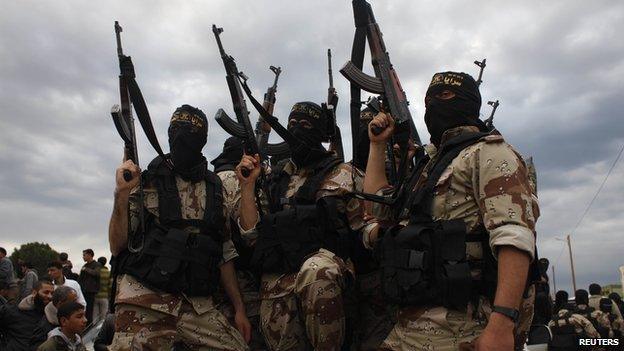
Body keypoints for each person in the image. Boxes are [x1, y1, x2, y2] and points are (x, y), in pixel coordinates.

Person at [362, 72, 540, 350]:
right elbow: (377, 206)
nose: (434, 104)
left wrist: (502, 323)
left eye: (444, 96)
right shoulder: (429, 163)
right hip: (407, 322)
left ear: (469, 102)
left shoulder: (490, 153)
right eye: (428, 99)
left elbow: (514, 237)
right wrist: (377, 145)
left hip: (462, 325)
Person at [108, 104, 250, 350]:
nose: (182, 138)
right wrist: (121, 194)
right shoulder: (148, 179)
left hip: (196, 305)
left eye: (191, 132)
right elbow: (117, 244)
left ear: (203, 140)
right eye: (176, 130)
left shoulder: (215, 188)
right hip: (145, 298)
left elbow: (224, 253)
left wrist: (239, 309)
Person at [237, 101, 367, 350]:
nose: (297, 130)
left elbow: (364, 230)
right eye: (292, 124)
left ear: (320, 132)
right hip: (278, 284)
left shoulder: (344, 174)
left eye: (306, 125)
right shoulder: (274, 179)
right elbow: (251, 234)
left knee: (316, 270)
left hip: (326, 279)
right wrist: (247, 186)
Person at [211, 136, 268, 351]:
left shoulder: (210, 180)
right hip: (244, 281)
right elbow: (251, 233)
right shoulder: (236, 180)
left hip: (211, 283)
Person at [0, 279, 54, 350]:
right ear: (34, 293)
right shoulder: (13, 311)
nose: (50, 296)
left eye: (52, 293)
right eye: (46, 292)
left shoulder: (53, 317)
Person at [78, 248, 100, 324]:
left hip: (91, 291)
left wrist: (86, 269)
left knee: (89, 310)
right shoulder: (84, 266)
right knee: (84, 309)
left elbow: (96, 273)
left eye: (84, 255)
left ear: (90, 255)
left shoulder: (96, 264)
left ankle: (89, 326)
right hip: (83, 290)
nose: (83, 257)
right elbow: (80, 279)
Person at [93, 256, 110, 323]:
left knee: (95, 317)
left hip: (95, 295)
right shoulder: (108, 272)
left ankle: (93, 332)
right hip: (104, 296)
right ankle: (101, 332)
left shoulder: (95, 272)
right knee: (103, 317)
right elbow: (110, 285)